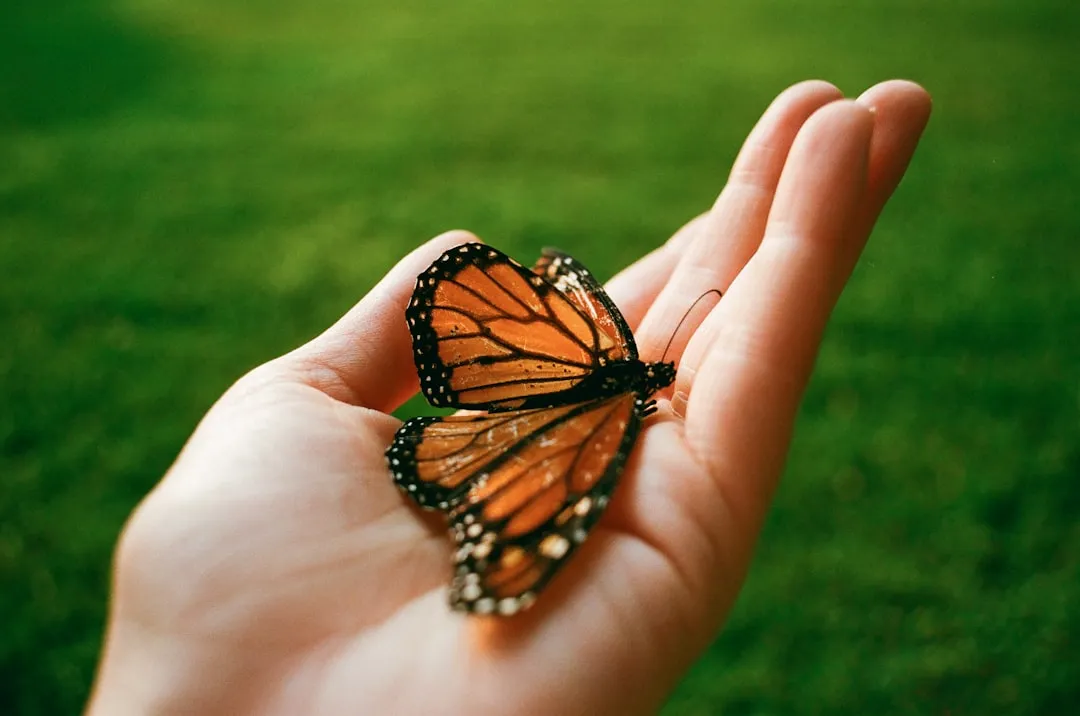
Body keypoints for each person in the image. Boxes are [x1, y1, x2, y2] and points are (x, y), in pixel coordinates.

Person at [86, 80, 931, 715]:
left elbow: (558, 287)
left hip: (510, 414)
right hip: (527, 443)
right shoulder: (616, 389)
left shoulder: (600, 351)